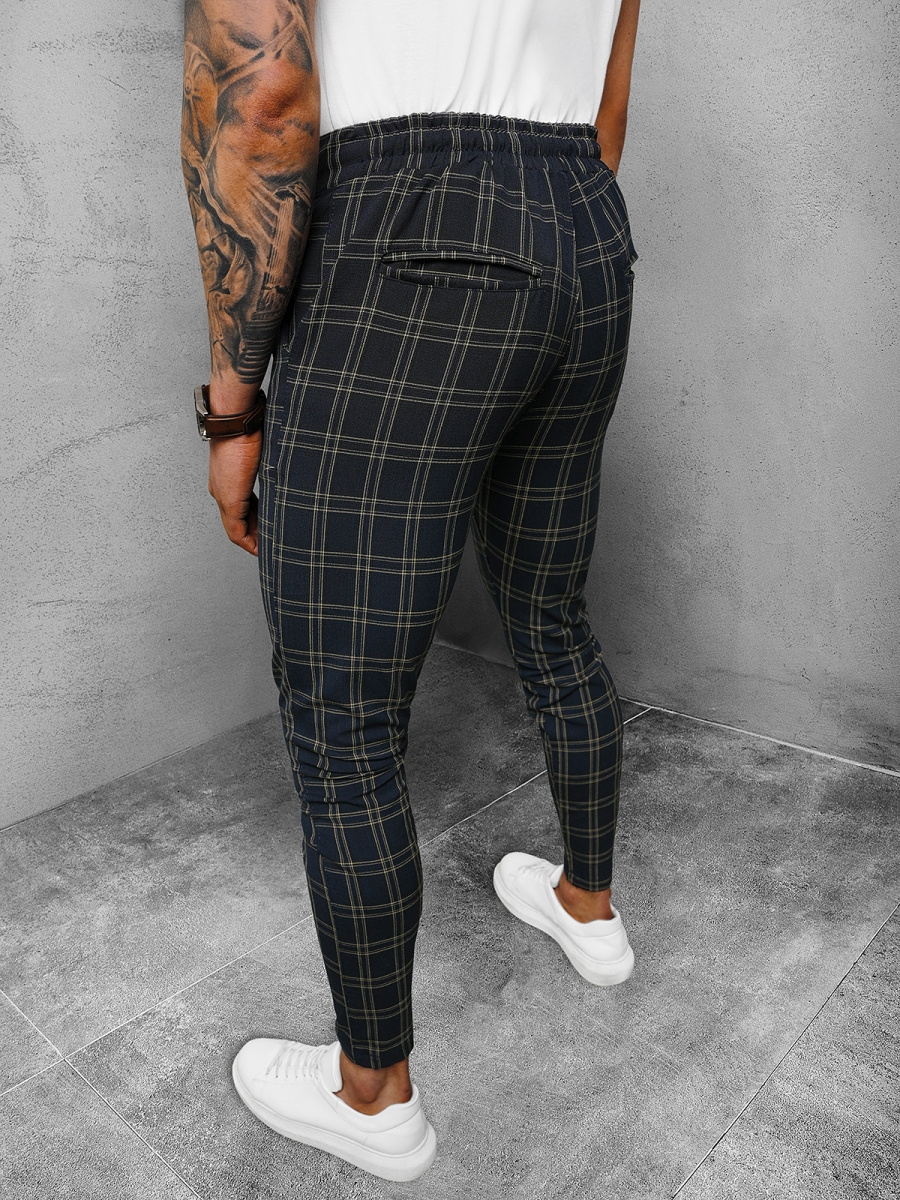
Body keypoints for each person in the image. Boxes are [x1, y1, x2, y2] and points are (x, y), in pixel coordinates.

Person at [182, 0, 641, 1181]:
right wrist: (540, 232)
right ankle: (588, 907)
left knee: (344, 714)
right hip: (584, 230)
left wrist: (232, 408)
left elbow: (262, 103)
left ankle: (373, 1095)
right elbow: (607, 103)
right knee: (551, 608)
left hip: (408, 224)